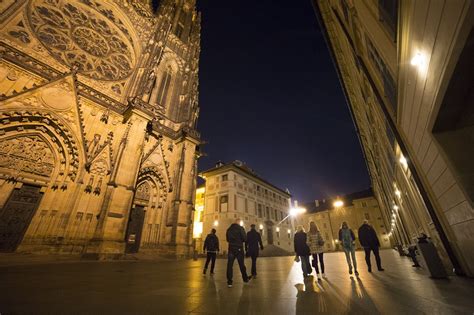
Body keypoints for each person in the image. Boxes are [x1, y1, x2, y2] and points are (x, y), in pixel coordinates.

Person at [226, 219, 252, 288]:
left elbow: (227, 239)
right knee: (241, 265)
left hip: (231, 249)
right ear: (238, 223)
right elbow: (245, 239)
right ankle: (245, 279)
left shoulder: (229, 229)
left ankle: (229, 282)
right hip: (239, 249)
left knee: (229, 265)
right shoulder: (240, 228)